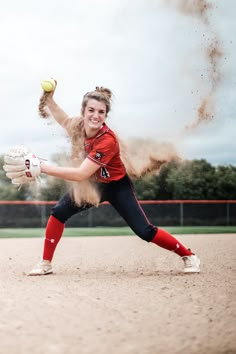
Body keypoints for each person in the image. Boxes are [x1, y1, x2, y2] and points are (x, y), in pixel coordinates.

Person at [28, 84, 200, 275]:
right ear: (83, 111)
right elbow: (63, 119)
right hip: (94, 184)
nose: (95, 115)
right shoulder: (78, 126)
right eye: (91, 110)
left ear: (106, 115)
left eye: (101, 112)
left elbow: (81, 174)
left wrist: (43, 167)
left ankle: (189, 256)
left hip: (117, 187)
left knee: (145, 231)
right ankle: (45, 263)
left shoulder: (107, 140)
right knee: (59, 212)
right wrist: (49, 99)